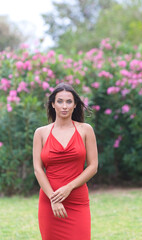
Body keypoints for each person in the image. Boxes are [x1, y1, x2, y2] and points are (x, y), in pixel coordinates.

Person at [33, 82, 98, 240]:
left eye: (69, 101)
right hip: (50, 202)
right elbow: (38, 169)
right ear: (53, 104)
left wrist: (68, 188)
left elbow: (93, 166)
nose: (64, 106)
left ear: (75, 105)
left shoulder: (85, 130)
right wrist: (53, 199)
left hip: (77, 200)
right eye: (60, 101)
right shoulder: (41, 133)